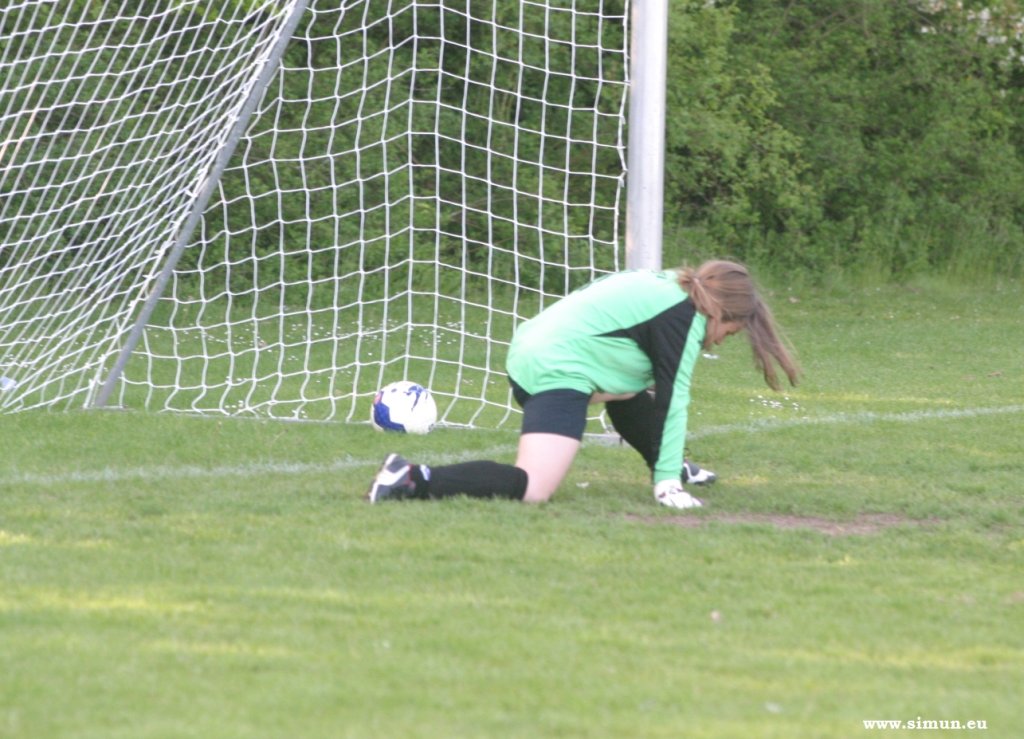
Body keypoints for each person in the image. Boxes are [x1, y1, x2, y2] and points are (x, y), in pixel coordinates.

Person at [366, 259, 799, 508]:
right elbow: (674, 398)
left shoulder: (671, 286)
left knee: (628, 388)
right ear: (721, 313)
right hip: (558, 369)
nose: (723, 340)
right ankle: (411, 479)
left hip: (533, 349)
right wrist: (667, 486)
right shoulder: (686, 317)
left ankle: (674, 465)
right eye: (732, 331)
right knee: (533, 488)